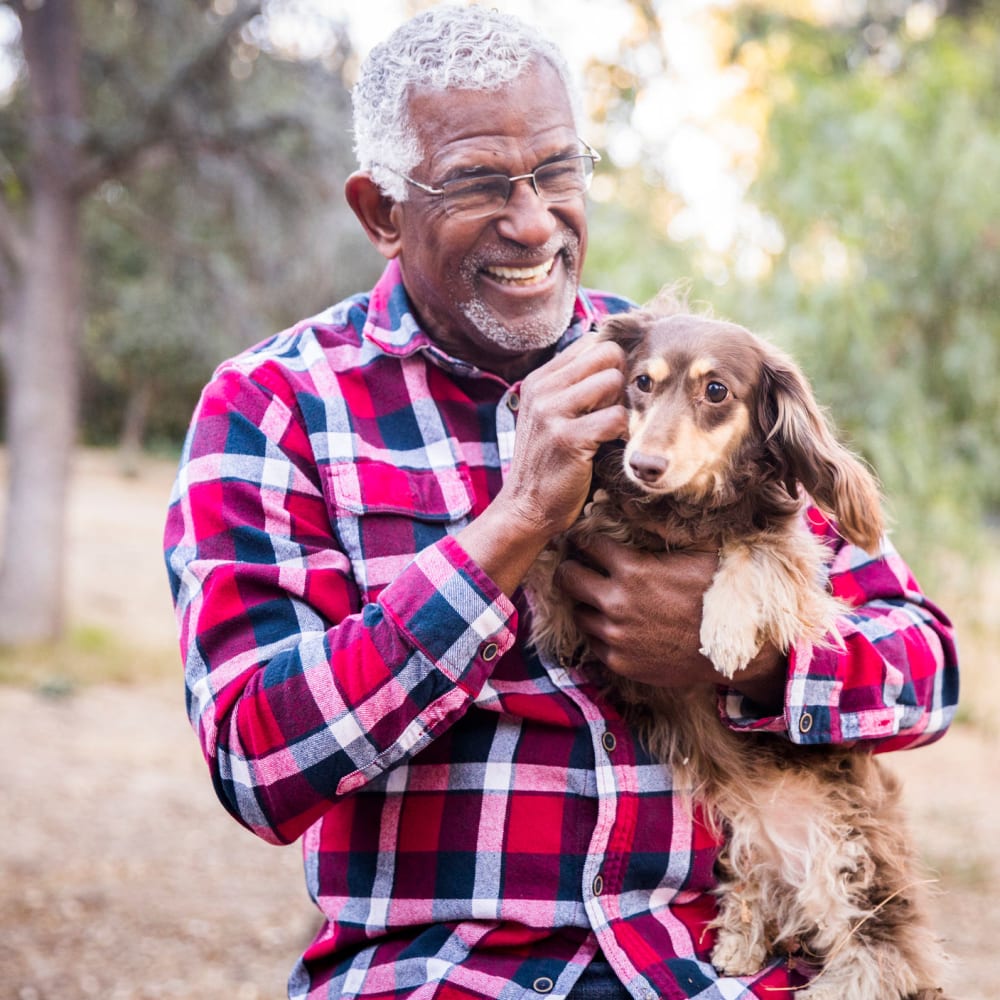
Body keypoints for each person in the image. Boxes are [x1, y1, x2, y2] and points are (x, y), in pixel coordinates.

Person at [163, 6, 958, 999]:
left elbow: (929, 670)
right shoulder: (275, 407)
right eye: (477, 184)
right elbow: (258, 761)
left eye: (556, 171)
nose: (533, 220)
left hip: (719, 965)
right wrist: (510, 527)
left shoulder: (682, 371)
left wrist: (756, 662)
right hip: (446, 974)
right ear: (379, 211)